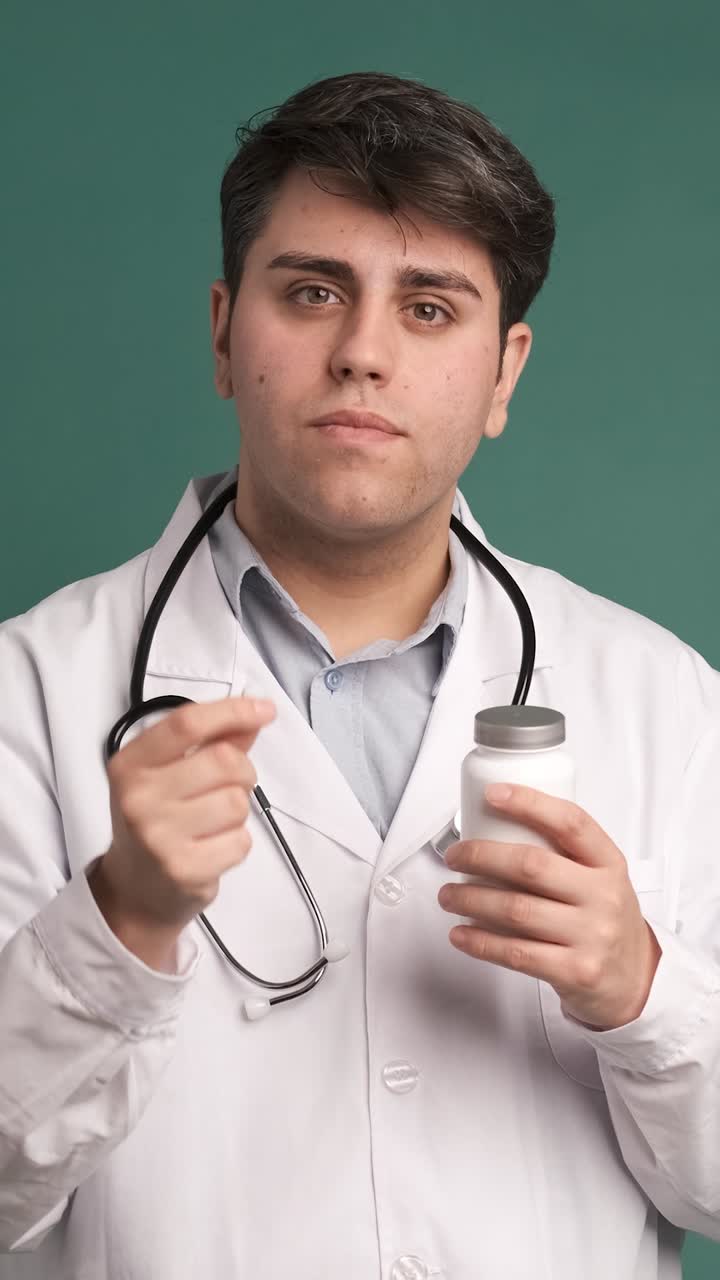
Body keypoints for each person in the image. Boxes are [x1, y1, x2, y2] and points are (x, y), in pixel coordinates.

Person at [0, 68, 718, 1280]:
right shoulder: (31, 694)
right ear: (225, 332)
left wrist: (641, 993)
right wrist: (116, 921)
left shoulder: (663, 697)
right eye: (314, 291)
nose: (363, 354)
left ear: (504, 374)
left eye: (430, 307)